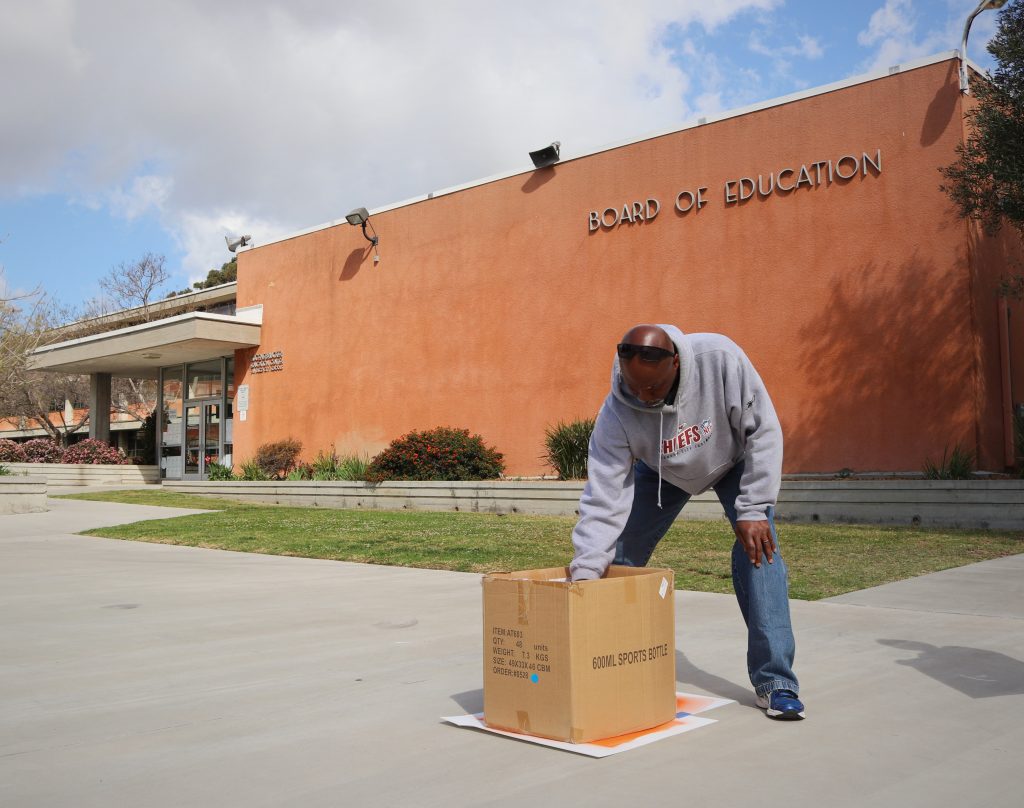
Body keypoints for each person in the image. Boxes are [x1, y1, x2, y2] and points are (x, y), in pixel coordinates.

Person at [569, 323, 805, 720]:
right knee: (618, 556)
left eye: (653, 390)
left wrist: (753, 508)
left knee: (761, 553)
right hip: (661, 473)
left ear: (675, 365)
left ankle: (776, 682)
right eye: (634, 388)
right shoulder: (615, 413)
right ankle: (601, 662)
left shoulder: (721, 359)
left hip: (733, 460)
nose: (642, 398)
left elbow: (764, 431)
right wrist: (585, 574)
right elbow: (603, 497)